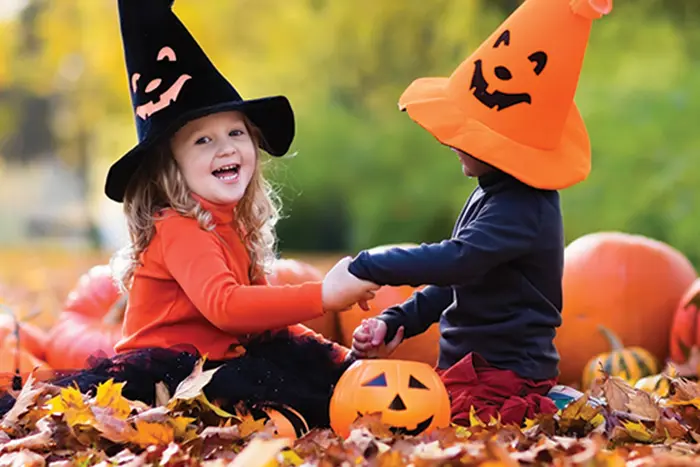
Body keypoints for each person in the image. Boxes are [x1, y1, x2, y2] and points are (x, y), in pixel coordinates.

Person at [0, 0, 379, 428]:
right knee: (283, 413)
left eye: (236, 132)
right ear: (168, 166)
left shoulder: (233, 224)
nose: (226, 147)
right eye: (202, 140)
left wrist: (334, 354)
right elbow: (227, 307)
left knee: (306, 382)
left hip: (218, 364)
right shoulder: (178, 225)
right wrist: (323, 295)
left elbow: (262, 326)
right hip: (170, 377)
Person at [348, 0, 613, 426]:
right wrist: (397, 319)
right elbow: (459, 280)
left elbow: (458, 259)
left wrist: (368, 267)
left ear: (503, 145)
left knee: (421, 422)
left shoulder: (523, 207)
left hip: (505, 375)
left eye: (465, 132)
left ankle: (557, 405)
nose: (451, 140)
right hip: (471, 369)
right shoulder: (493, 192)